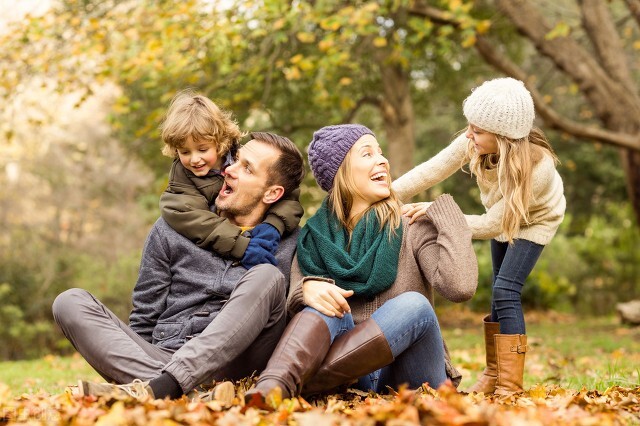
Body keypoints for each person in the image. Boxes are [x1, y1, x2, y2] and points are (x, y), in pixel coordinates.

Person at [52, 132, 306, 400]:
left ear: (272, 193)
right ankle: (186, 393)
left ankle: (165, 388)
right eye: (235, 160)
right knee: (69, 302)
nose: (228, 170)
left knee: (267, 276)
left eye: (247, 168)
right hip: (166, 353)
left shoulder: (293, 244)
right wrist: (133, 359)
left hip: (238, 364)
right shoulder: (171, 229)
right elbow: (145, 315)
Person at [244, 124, 478, 406]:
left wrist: (447, 217)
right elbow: (295, 298)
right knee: (327, 303)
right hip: (354, 379)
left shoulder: (412, 226)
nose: (383, 160)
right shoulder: (313, 239)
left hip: (412, 375)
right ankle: (274, 385)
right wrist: (305, 290)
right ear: (341, 173)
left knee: (413, 305)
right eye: (367, 154)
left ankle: (307, 384)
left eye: (380, 153)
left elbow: (460, 287)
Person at [393, 78, 566, 395]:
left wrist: (438, 212)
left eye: (478, 130)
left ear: (504, 137)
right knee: (498, 289)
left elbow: (492, 224)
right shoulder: (473, 142)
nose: (469, 135)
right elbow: (432, 169)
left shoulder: (536, 169)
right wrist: (387, 194)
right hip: (502, 215)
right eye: (469, 126)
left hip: (535, 220)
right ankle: (494, 372)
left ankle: (510, 385)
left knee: (506, 289)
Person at [158, 89, 303, 268]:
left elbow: (285, 186)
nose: (194, 159)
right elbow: (192, 218)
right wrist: (240, 246)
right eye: (184, 152)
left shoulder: (239, 154)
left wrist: (273, 225)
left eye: (202, 150)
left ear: (220, 142)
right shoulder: (183, 178)